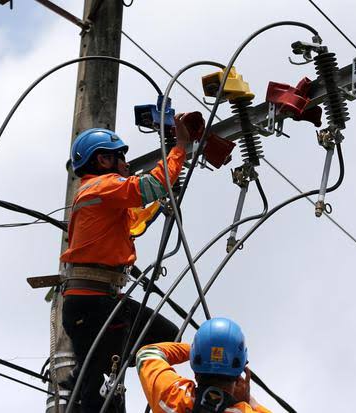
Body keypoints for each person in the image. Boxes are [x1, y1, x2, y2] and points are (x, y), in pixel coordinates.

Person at [59, 114, 195, 413]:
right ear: (104, 160)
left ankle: (93, 379)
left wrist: (164, 196)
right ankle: (87, 384)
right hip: (91, 303)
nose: (127, 165)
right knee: (96, 398)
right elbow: (149, 187)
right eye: (122, 158)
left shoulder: (103, 195)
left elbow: (136, 218)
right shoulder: (102, 187)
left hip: (100, 300)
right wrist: (180, 148)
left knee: (165, 337)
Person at [136, 317, 271, 413]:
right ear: (240, 373)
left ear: (196, 371)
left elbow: (148, 354)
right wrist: (250, 402)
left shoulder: (172, 396)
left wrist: (198, 350)